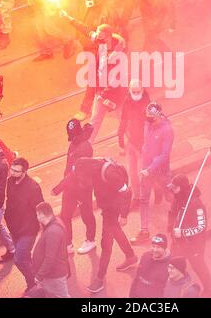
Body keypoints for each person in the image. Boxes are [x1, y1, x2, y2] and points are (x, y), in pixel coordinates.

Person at [74, 157, 137, 294]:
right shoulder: (93, 169)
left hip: (114, 210)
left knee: (106, 244)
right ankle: (130, 256)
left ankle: (99, 278)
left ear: (86, 171)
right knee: (116, 232)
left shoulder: (108, 173)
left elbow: (127, 192)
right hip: (108, 209)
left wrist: (124, 215)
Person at [131, 102, 174, 244]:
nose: (147, 118)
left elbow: (165, 154)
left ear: (158, 115)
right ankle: (144, 231)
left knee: (170, 196)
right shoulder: (147, 124)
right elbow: (147, 143)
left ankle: (180, 218)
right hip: (146, 170)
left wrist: (150, 169)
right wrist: (143, 152)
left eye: (151, 116)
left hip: (160, 171)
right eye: (147, 115)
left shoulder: (167, 130)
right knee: (144, 200)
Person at [52, 118, 96, 255]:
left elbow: (75, 172)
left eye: (73, 135)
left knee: (86, 214)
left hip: (83, 187)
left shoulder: (85, 148)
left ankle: (90, 240)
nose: (71, 138)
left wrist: (59, 187)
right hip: (70, 186)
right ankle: (68, 244)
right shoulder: (75, 143)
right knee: (65, 215)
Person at [2, 158, 44, 293]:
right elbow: (10, 201)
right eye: (12, 169)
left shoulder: (33, 187)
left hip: (28, 230)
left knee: (20, 259)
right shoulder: (10, 181)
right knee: (26, 258)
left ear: (24, 172)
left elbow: (40, 209)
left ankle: (33, 285)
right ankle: (38, 278)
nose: (12, 173)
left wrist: (44, 227)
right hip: (14, 228)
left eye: (16, 171)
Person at [168, 174, 211, 298]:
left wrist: (183, 233)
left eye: (175, 188)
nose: (173, 190)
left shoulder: (196, 204)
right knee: (175, 263)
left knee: (198, 266)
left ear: (182, 188)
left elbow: (201, 227)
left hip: (194, 244)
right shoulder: (178, 197)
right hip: (178, 241)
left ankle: (210, 289)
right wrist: (170, 226)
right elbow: (173, 213)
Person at [118, 79, 150, 209]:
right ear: (130, 91)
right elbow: (123, 120)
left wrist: (143, 144)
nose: (136, 94)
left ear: (142, 90)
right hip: (130, 141)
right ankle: (137, 197)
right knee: (132, 173)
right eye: (133, 92)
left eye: (138, 92)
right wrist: (120, 139)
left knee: (142, 173)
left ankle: (145, 196)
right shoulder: (127, 101)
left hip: (142, 144)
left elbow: (149, 126)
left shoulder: (148, 104)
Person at [31, 202, 70, 299]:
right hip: (53, 274)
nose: (36, 217)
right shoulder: (54, 222)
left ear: (41, 215)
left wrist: (39, 276)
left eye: (37, 215)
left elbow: (50, 259)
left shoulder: (53, 232)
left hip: (54, 276)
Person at [129, 234, 170, 298]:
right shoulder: (145, 256)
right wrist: (131, 295)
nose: (155, 250)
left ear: (165, 248)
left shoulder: (170, 265)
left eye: (158, 247)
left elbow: (168, 290)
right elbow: (137, 278)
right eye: (153, 246)